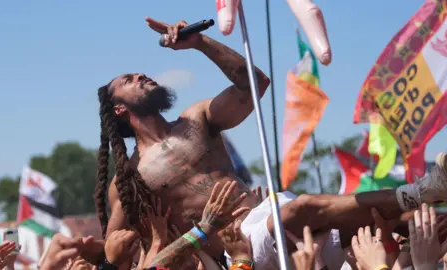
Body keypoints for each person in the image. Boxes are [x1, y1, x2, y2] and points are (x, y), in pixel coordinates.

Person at [94, 17, 447, 269]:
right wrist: (178, 239)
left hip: (275, 214)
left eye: (139, 72)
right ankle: (421, 189)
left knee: (398, 223)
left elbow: (255, 84)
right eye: (129, 79)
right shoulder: (129, 181)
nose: (141, 75)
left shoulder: (196, 118)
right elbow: (113, 251)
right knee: (302, 207)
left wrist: (200, 44)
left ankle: (423, 200)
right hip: (243, 247)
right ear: (119, 108)